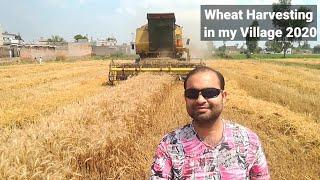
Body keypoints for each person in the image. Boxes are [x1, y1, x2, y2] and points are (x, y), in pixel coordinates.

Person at [150, 66, 270, 179]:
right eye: (192, 94)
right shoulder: (169, 145)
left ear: (224, 97)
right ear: (185, 99)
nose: (200, 100)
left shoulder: (249, 141)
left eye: (210, 92)